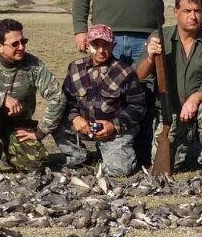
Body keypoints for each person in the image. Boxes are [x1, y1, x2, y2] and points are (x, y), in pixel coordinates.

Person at [73, 0, 193, 166]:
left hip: (147, 38)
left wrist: (193, 17)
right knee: (107, 94)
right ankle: (109, 147)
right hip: (106, 39)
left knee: (145, 95)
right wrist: (80, 29)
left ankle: (143, 151)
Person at [140, 0, 202, 178]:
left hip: (199, 110)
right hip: (169, 113)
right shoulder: (159, 38)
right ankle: (181, 146)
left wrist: (196, 98)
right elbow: (138, 77)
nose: (193, 16)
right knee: (169, 167)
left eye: (197, 11)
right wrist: (149, 58)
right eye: (187, 11)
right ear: (175, 12)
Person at [0, 18, 65, 176]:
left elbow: (57, 97)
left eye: (23, 41)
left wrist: (42, 131)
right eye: (15, 44)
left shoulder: (34, 65)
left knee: (36, 165)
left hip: (20, 126)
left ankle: (9, 153)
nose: (21, 47)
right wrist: (2, 98)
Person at [53, 24, 146, 176]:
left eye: (106, 45)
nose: (101, 50)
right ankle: (79, 156)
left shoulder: (125, 72)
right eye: (96, 45)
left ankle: (109, 152)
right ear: (88, 45)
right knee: (54, 119)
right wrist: (74, 117)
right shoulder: (75, 68)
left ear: (113, 46)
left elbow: (138, 106)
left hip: (114, 131)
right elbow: (66, 100)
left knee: (120, 171)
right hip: (83, 126)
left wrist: (113, 125)